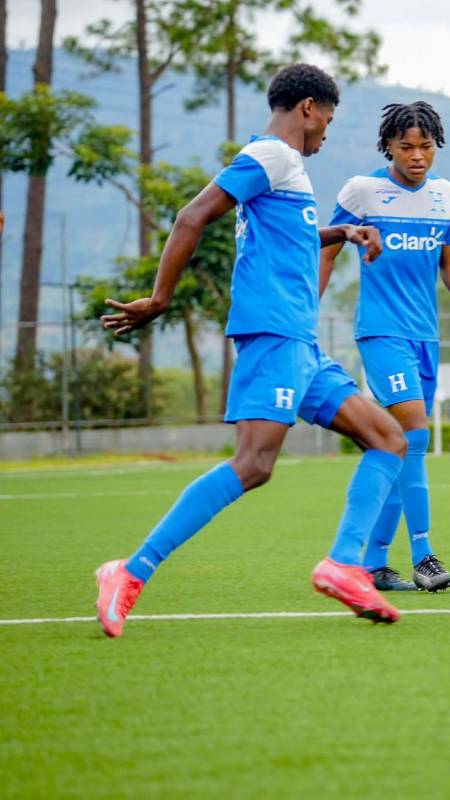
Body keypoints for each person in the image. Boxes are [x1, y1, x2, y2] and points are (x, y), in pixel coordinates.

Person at [94, 64, 411, 638]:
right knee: (254, 464)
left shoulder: (284, 168)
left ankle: (343, 565)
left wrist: (344, 232)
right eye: (328, 120)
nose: (326, 133)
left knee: (388, 438)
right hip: (273, 333)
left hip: (299, 342)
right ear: (308, 107)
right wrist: (160, 299)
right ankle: (131, 570)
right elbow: (192, 216)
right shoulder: (271, 155)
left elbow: (291, 238)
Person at [320, 101, 450, 593]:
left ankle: (374, 564)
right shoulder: (363, 190)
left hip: (425, 336)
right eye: (406, 147)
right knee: (414, 434)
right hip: (381, 332)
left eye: (425, 147)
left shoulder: (445, 195)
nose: (417, 156)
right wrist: (304, 309)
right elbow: (327, 250)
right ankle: (424, 556)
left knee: (398, 445)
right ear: (388, 147)